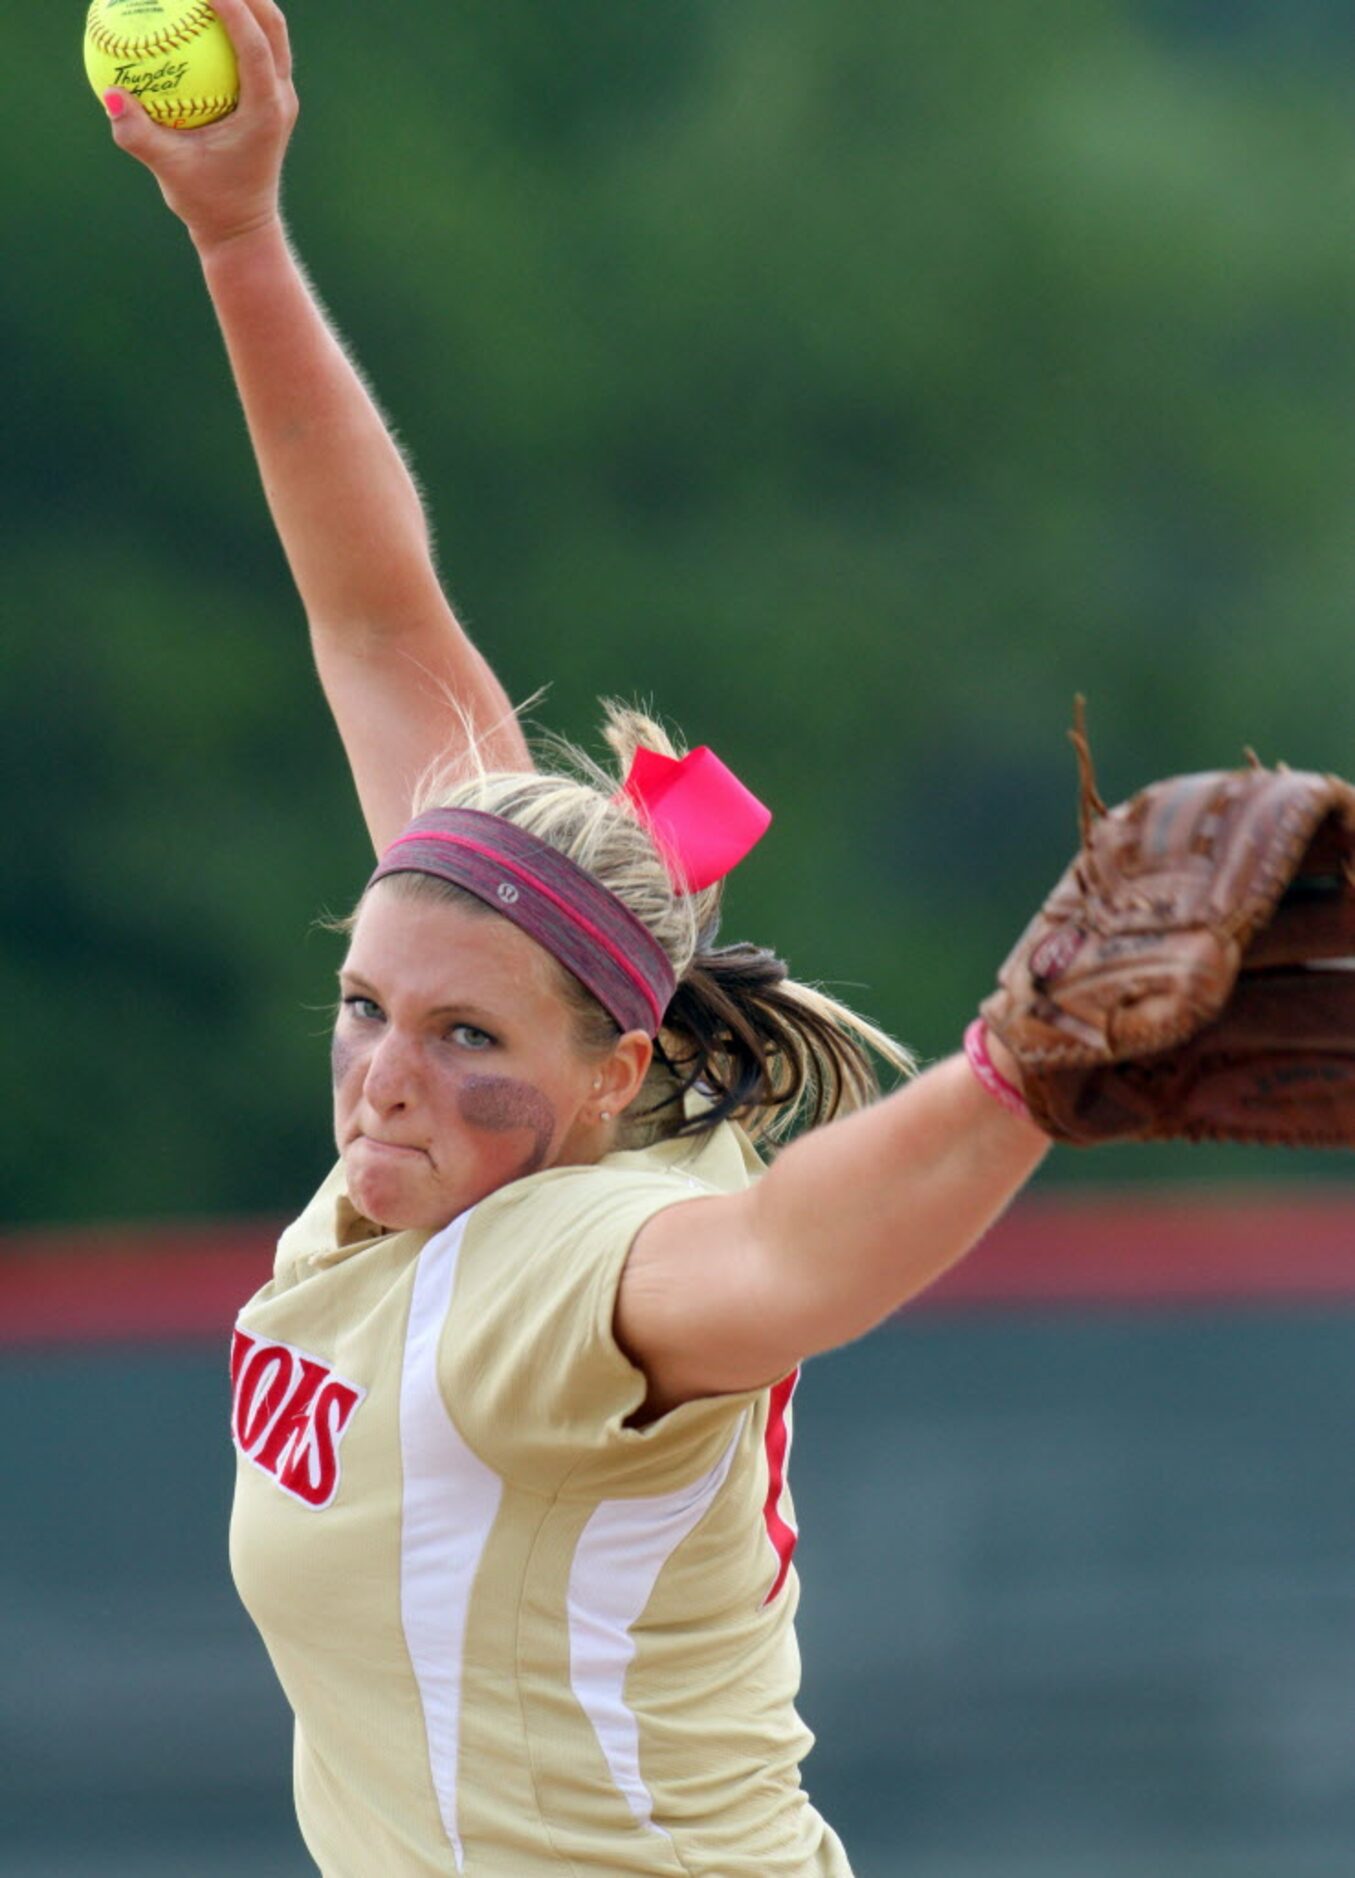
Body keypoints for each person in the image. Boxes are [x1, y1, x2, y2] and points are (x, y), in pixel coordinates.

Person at [102, 4, 1051, 1872]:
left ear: (612, 1067)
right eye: (373, 1004)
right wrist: (237, 234)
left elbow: (788, 1257)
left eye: (467, 1041)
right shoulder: (495, 1097)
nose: (388, 1074)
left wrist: (1026, 1076)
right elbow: (377, 626)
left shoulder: (566, 1263)